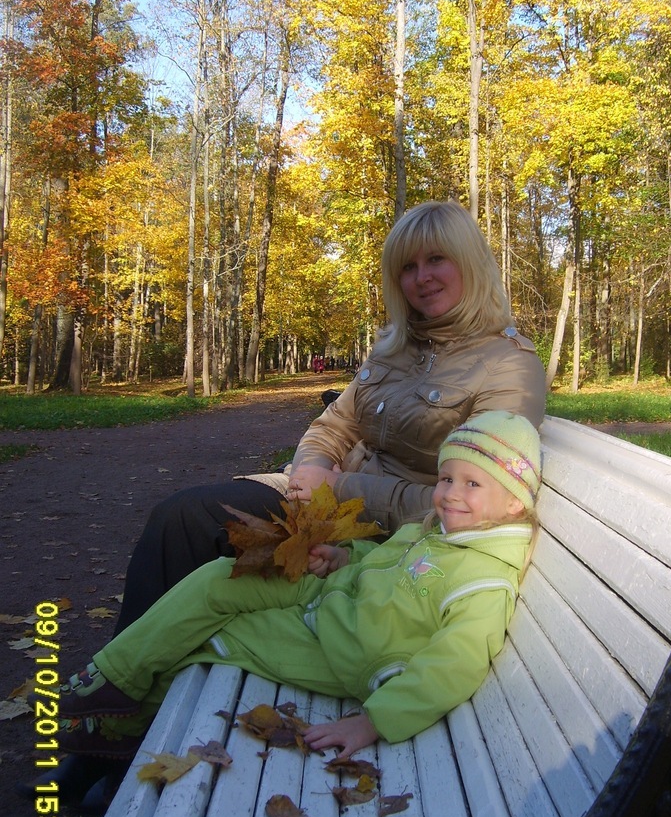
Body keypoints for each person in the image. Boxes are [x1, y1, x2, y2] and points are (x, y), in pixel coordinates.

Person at [113, 200, 546, 635]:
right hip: (324, 505)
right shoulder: (395, 349)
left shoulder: (508, 366)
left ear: (470, 262)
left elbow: (474, 502)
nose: (421, 277)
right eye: (407, 267)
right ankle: (126, 665)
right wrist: (311, 477)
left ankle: (133, 668)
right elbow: (333, 425)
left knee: (192, 523)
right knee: (181, 519)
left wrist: (338, 488)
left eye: (436, 259)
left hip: (388, 537)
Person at [57, 411, 541, 762]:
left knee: (216, 639)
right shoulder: (435, 530)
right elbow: (382, 558)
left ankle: (121, 727)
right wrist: (345, 556)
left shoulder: (483, 581)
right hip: (331, 597)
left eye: (472, 484)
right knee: (221, 576)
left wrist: (376, 720)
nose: (450, 494)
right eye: (447, 478)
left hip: (348, 649)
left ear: (515, 503)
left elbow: (455, 664)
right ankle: (112, 676)